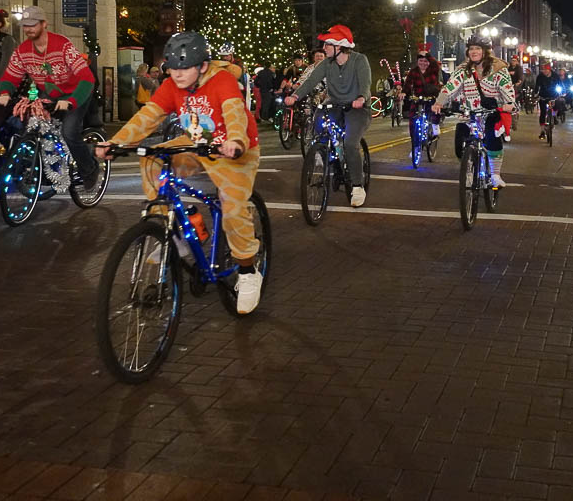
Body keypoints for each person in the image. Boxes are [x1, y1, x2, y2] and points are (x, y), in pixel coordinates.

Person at [95, 31, 264, 314]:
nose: (177, 74)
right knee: (152, 159)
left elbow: (233, 111)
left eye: (184, 68)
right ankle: (174, 233)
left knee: (232, 202)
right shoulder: (172, 85)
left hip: (232, 148)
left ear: (203, 66)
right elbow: (148, 116)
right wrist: (117, 142)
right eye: (172, 68)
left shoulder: (222, 80)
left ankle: (248, 271)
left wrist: (235, 141)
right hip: (195, 143)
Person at [0, 5, 100, 189]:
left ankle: (89, 169)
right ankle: (45, 168)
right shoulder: (22, 51)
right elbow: (11, 76)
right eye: (25, 25)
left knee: (69, 131)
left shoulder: (62, 45)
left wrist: (71, 101)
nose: (28, 29)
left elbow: (87, 78)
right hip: (51, 94)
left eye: (33, 24)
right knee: (32, 127)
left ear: (44, 24)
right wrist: (5, 92)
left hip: (76, 93)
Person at [285, 25, 372, 207]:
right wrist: (295, 96)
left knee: (350, 143)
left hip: (357, 107)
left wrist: (361, 97)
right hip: (335, 105)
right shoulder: (327, 64)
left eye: (327, 45)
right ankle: (321, 152)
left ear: (339, 46)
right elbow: (311, 81)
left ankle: (357, 185)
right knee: (319, 120)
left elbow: (365, 83)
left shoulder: (359, 60)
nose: (323, 48)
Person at [433, 34, 516, 187]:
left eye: (478, 48)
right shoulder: (463, 69)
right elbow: (450, 87)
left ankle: (495, 174)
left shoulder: (498, 68)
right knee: (460, 144)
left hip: (491, 112)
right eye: (471, 48)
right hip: (469, 113)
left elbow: (507, 89)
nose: (474, 51)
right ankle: (469, 169)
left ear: (485, 51)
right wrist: (439, 102)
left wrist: (509, 104)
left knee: (492, 138)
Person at [402, 48, 443, 138]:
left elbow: (435, 64)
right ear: (417, 61)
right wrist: (404, 93)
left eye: (425, 61)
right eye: (421, 61)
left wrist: (427, 55)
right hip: (418, 97)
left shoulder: (433, 69)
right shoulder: (413, 72)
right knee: (412, 119)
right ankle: (415, 146)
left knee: (434, 110)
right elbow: (408, 84)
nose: (423, 63)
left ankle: (435, 125)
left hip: (431, 96)